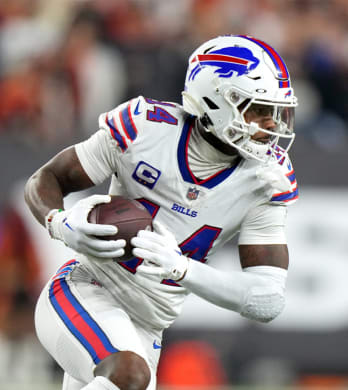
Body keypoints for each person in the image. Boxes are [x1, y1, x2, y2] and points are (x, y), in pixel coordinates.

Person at [24, 35, 298, 390]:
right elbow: (46, 179)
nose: (271, 124)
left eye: (274, 112)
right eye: (257, 109)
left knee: (129, 377)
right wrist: (60, 223)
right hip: (87, 288)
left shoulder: (266, 178)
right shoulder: (145, 128)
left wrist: (184, 270)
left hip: (149, 326)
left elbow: (267, 298)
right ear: (215, 100)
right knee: (130, 377)